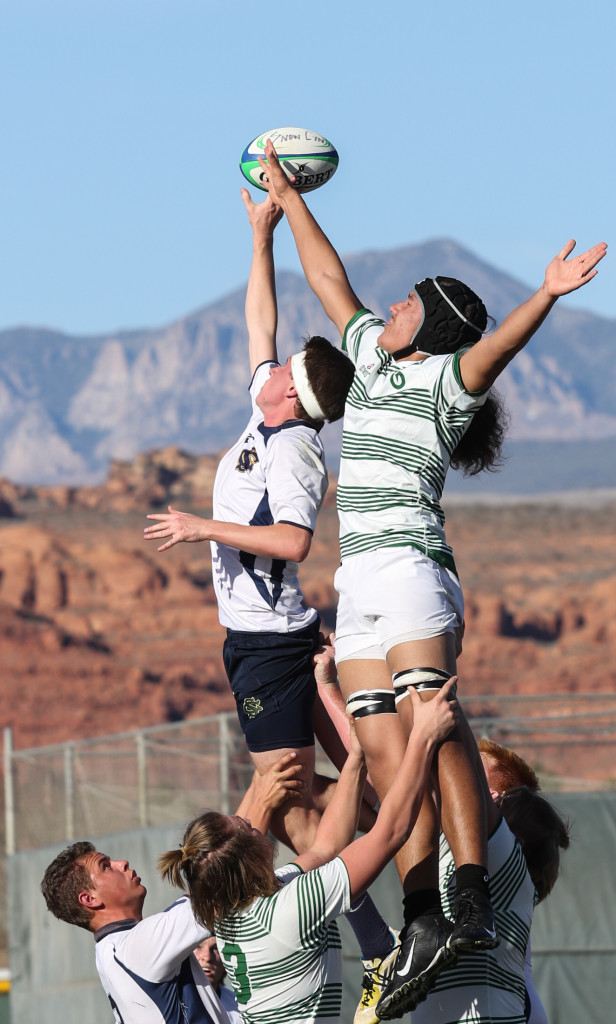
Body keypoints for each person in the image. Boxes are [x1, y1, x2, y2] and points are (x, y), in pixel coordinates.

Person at [257, 137, 606, 1014]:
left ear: (431, 324)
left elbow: (497, 357)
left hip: (414, 567)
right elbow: (328, 278)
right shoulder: (369, 354)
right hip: (361, 582)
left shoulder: (448, 380)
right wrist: (290, 198)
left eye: (410, 300)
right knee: (385, 749)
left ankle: (475, 898)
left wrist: (547, 298)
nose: (393, 302)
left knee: (434, 714)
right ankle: (423, 911)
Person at [144, 191, 355, 856]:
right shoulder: (268, 415)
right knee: (293, 799)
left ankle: (397, 824)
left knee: (288, 796)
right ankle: (396, 816)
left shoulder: (293, 448)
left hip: (267, 644)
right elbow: (257, 321)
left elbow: (294, 541)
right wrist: (260, 235)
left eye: (288, 366)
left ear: (291, 391)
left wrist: (203, 527)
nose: (274, 362)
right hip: (266, 638)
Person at [158, 681, 459, 1024]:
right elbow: (391, 832)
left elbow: (325, 847)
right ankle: (379, 950)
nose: (256, 824)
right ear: (248, 858)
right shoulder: (291, 908)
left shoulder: (238, 912)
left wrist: (358, 757)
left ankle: (378, 948)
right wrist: (423, 736)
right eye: (247, 828)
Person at [40, 754, 303, 1024]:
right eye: (106, 866)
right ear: (89, 898)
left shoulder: (115, 950)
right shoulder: (138, 947)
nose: (122, 862)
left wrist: (259, 784)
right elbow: (224, 869)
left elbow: (216, 862)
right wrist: (264, 799)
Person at [409, 736, 570, 1024]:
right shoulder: (456, 845)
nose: (459, 780)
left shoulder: (506, 867)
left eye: (479, 784)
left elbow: (446, 760)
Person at [194, 937, 242, 1024]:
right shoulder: (167, 1003)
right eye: (197, 946)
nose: (207, 957)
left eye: (215, 948)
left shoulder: (239, 1008)